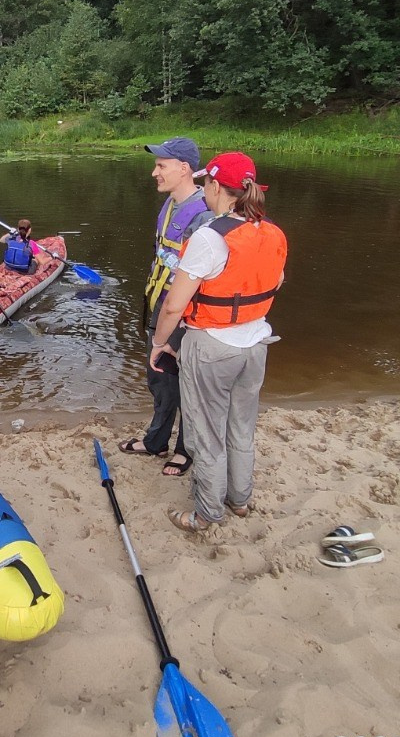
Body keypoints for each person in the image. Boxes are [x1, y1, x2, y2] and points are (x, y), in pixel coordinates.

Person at [149, 151, 287, 533]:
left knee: (206, 433)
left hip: (211, 346)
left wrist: (162, 343)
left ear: (213, 185)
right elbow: (275, 282)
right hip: (256, 342)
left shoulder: (210, 237)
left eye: (206, 184)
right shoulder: (272, 231)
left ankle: (206, 513)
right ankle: (239, 500)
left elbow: (175, 305)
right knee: (240, 427)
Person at [117, 137, 213, 478]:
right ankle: (156, 441)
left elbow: (205, 280)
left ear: (184, 168)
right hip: (158, 305)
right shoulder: (171, 203)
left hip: (186, 315)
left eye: (161, 165)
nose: (154, 172)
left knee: (187, 384)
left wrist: (180, 326)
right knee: (158, 378)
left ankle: (185, 450)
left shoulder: (205, 213)